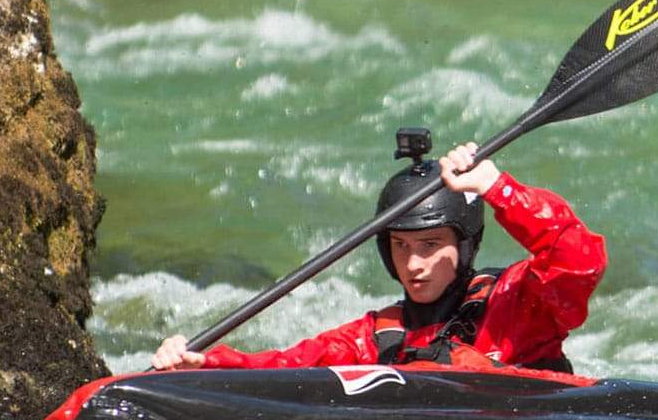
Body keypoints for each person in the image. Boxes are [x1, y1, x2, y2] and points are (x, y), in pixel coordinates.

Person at [152, 128, 605, 373]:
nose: (414, 264)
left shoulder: (518, 302)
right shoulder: (375, 338)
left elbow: (579, 261)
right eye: (401, 246)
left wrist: (496, 187)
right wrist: (203, 363)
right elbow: (283, 370)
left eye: (430, 245)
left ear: (464, 246)